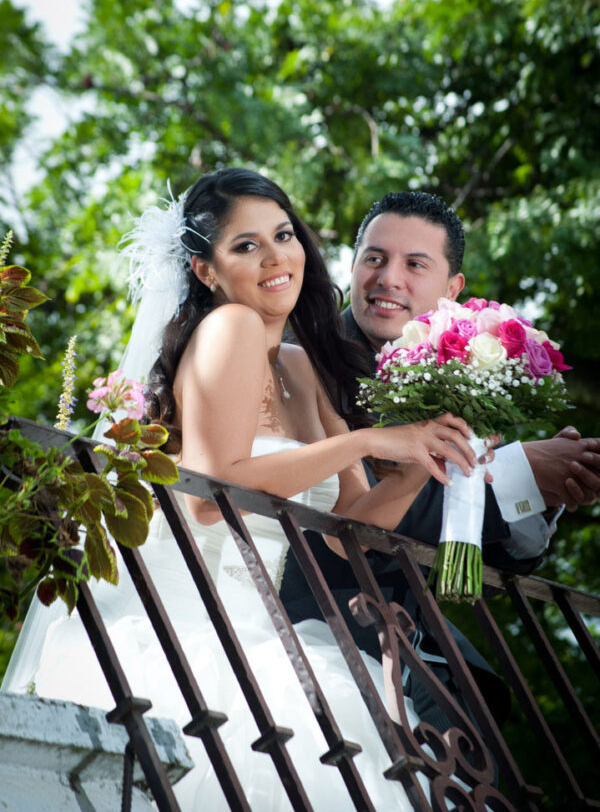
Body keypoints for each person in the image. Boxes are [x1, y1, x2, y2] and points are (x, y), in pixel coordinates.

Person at [3, 170, 487, 810]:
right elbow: (212, 491)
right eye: (245, 246)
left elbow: (349, 534)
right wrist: (369, 444)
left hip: (263, 631)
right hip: (190, 631)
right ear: (206, 270)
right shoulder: (226, 327)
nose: (276, 257)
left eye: (283, 235)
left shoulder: (298, 363)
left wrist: (419, 462)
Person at [279, 189, 600, 732]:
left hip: (415, 642)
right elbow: (352, 513)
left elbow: (492, 551)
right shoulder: (305, 358)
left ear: (452, 289)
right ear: (352, 265)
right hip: (322, 624)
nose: (388, 278)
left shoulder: (456, 367)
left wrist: (544, 489)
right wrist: (522, 472)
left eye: (415, 264)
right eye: (374, 258)